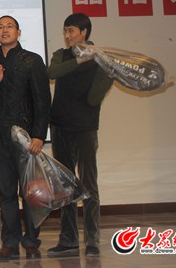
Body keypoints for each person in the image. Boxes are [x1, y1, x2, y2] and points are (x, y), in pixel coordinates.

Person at [0, 15, 51, 262]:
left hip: (25, 137)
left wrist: (39, 135)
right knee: (6, 193)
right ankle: (9, 242)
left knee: (29, 192)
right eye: (0, 27)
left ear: (19, 32)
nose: (4, 30)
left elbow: (42, 100)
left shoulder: (32, 60)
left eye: (9, 26)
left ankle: (31, 241)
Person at [46, 13, 113, 258]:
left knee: (88, 185)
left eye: (71, 31)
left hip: (85, 127)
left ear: (84, 32)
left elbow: (94, 99)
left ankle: (92, 240)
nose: (67, 35)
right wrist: (79, 61)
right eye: (65, 30)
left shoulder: (101, 59)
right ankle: (69, 240)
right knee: (65, 186)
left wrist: (109, 75)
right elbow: (51, 73)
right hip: (60, 125)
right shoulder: (61, 55)